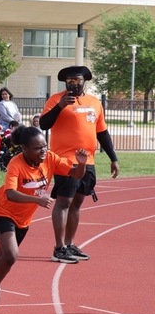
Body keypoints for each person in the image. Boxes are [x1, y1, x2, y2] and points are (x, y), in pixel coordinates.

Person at [0, 127, 89, 310]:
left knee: (2, 254)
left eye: (44, 146)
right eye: (37, 148)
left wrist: (82, 164)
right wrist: (37, 199)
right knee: (11, 255)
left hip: (23, 218)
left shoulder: (50, 158)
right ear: (24, 148)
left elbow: (76, 174)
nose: (43, 151)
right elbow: (10, 194)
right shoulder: (16, 164)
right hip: (3, 211)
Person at [39, 65, 119, 263]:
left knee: (77, 203)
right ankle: (59, 248)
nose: (74, 84)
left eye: (77, 80)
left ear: (84, 82)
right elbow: (43, 124)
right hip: (65, 160)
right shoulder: (56, 100)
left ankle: (70, 244)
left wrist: (113, 158)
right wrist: (60, 106)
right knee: (64, 202)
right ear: (65, 83)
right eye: (70, 81)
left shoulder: (94, 102)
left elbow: (102, 132)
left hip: (88, 161)